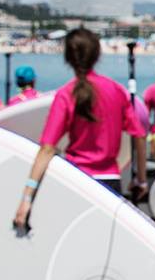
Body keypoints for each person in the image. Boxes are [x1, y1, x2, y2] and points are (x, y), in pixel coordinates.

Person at [14, 30, 146, 229]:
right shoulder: (116, 90)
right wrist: (141, 179)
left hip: (78, 182)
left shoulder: (66, 94)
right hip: (111, 181)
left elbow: (47, 148)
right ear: (97, 55)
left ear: (68, 58)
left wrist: (26, 198)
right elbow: (140, 136)